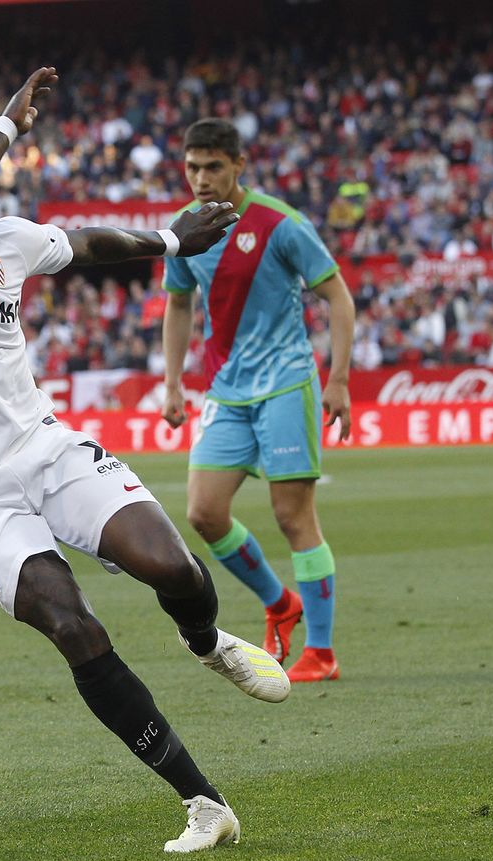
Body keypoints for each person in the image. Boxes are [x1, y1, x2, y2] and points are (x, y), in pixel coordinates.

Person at [0, 68, 286, 854]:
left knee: (172, 567)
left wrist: (170, 241)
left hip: (44, 447)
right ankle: (204, 802)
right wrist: (7, 125)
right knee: (73, 623)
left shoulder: (0, 241)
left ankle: (207, 642)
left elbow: (86, 244)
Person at [160, 118, 356, 683]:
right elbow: (178, 305)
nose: (201, 178)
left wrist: (339, 379)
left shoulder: (280, 224)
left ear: (238, 165)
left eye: (213, 167)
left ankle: (321, 651)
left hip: (286, 384)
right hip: (226, 389)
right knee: (204, 513)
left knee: (293, 516)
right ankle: (279, 602)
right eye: (192, 167)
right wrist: (172, 383)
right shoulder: (184, 231)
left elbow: (338, 297)